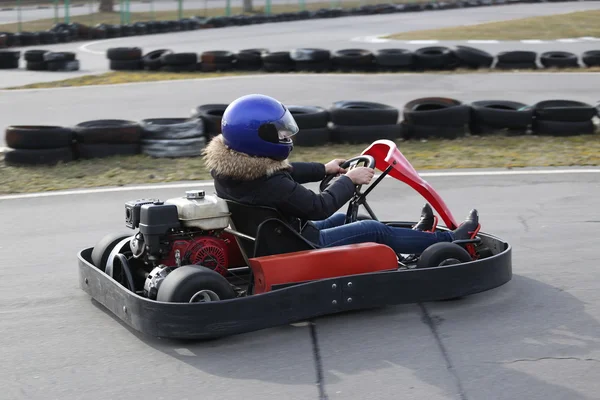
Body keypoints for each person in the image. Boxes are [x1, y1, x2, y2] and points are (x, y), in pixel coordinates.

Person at [203, 94, 480, 255]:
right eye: (280, 132)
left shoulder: (232, 168)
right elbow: (317, 207)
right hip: (296, 245)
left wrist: (324, 169)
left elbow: (285, 172)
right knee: (372, 230)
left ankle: (418, 238)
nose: (286, 135)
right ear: (259, 138)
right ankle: (452, 242)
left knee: (351, 218)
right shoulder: (269, 183)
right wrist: (349, 179)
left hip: (277, 235)